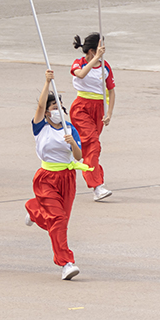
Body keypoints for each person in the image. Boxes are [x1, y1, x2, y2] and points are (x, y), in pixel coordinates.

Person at [26, 70, 85, 280]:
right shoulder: (40, 126)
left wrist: (72, 144)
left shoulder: (70, 129)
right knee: (58, 220)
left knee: (60, 221)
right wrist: (47, 82)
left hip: (67, 178)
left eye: (59, 105)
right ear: (49, 112)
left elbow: (79, 155)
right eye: (53, 106)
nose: (57, 109)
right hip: (46, 178)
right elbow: (40, 107)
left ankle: (34, 210)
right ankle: (66, 262)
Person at [70, 33, 115, 202]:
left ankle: (73, 151)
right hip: (82, 108)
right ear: (91, 50)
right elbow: (80, 74)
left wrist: (109, 113)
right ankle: (97, 186)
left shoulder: (105, 66)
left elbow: (111, 90)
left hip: (99, 110)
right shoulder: (79, 62)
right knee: (93, 145)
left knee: (90, 148)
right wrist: (94, 58)